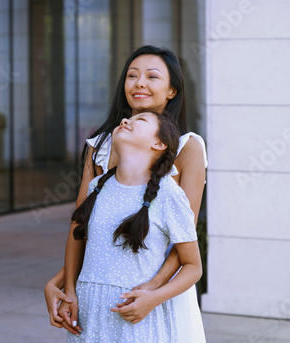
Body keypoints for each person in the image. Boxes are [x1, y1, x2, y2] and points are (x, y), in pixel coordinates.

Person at [44, 45, 207, 339]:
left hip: (156, 295)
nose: (139, 83)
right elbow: (82, 227)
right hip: (100, 296)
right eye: (132, 75)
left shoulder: (187, 146)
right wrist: (65, 283)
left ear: (172, 90)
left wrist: (152, 290)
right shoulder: (101, 145)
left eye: (152, 76)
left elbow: (184, 238)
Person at [61, 111, 202, 342]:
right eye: (126, 120)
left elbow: (193, 266)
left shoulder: (168, 195)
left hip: (136, 321)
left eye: (141, 120)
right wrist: (69, 292)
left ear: (159, 143)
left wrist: (154, 298)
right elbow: (80, 240)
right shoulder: (97, 186)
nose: (126, 121)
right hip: (88, 316)